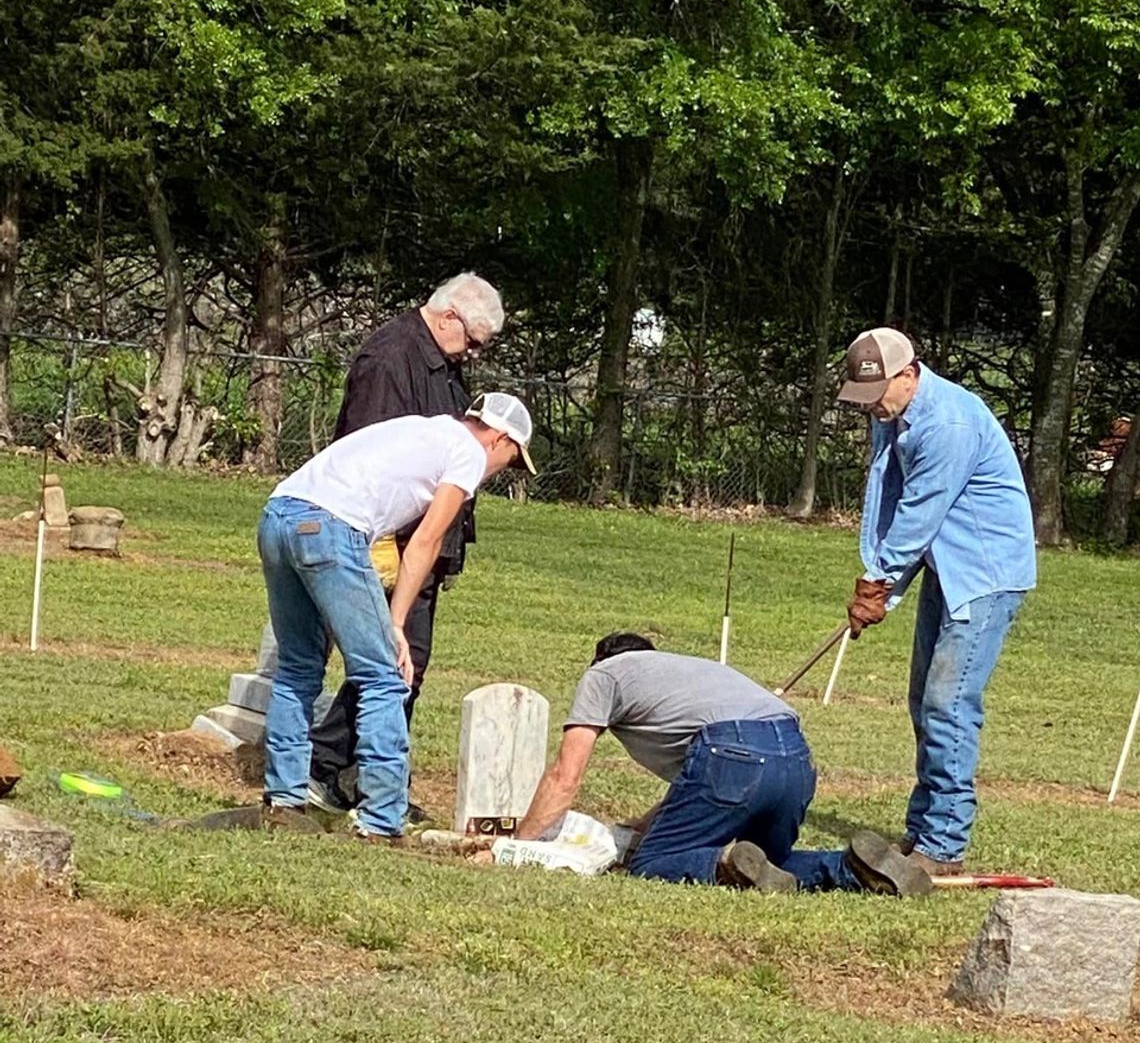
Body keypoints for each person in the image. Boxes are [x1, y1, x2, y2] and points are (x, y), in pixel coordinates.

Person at [259, 393, 535, 842]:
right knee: (384, 676)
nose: (502, 469)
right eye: (510, 459)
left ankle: (284, 799)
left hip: (277, 514)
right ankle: (382, 819)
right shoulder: (466, 453)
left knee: (297, 667)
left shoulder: (421, 428)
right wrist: (396, 622)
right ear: (499, 439)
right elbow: (425, 542)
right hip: (331, 526)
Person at [513, 634, 933, 896]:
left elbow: (564, 776)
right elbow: (695, 785)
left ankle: (723, 863)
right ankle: (853, 870)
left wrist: (516, 847)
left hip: (730, 756)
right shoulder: (690, 674)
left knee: (651, 863)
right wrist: (642, 826)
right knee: (768, 860)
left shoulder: (604, 675)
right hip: (795, 756)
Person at [838, 328, 1037, 875]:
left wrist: (877, 581)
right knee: (922, 698)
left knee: (948, 704)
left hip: (985, 574)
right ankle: (925, 829)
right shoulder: (893, 415)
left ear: (908, 373)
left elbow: (920, 512)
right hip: (946, 568)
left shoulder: (947, 423)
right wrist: (880, 584)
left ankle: (944, 846)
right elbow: (889, 499)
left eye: (877, 393)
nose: (872, 407)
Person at [307, 272, 506, 818]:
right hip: (390, 542)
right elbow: (368, 456)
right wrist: (384, 551)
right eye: (473, 341)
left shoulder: (440, 364)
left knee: (407, 663)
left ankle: (368, 775)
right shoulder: (391, 359)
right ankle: (328, 769)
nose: (472, 354)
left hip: (425, 544)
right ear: (448, 317)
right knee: (393, 661)